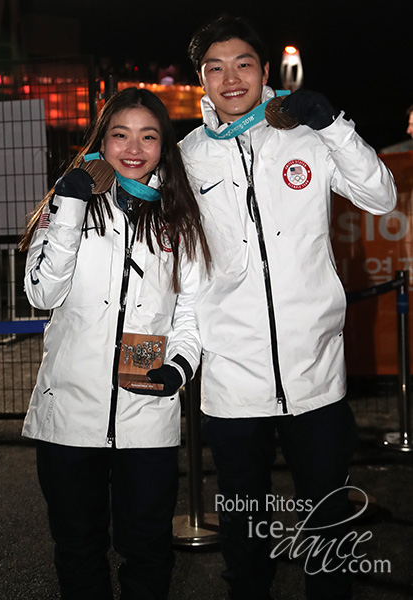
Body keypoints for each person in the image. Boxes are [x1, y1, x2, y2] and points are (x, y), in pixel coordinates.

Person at [179, 14, 397, 600]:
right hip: (232, 381)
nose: (230, 79)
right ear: (200, 78)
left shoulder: (307, 136)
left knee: (327, 528)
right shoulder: (189, 156)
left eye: (242, 64)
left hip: (315, 375)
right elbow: (186, 267)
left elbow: (381, 195)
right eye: (215, 68)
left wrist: (334, 125)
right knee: (246, 536)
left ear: (265, 70)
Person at [19, 86, 210, 600]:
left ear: (163, 147)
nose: (133, 147)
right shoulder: (71, 201)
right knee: (78, 547)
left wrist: (179, 366)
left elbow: (190, 309)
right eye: (120, 134)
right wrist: (69, 207)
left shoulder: (179, 215)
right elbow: (42, 292)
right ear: (101, 141)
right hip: (69, 416)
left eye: (148, 136)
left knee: (147, 549)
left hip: (147, 413)